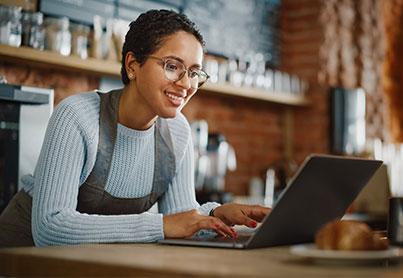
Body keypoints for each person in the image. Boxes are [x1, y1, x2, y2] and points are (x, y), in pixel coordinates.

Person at [0, 9, 270, 247]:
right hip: (20, 259)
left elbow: (180, 218)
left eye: (194, 72)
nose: (187, 84)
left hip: (88, 263)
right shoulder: (77, 116)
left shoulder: (177, 131)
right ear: (133, 65)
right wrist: (161, 225)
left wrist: (216, 216)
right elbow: (50, 229)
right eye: (173, 66)